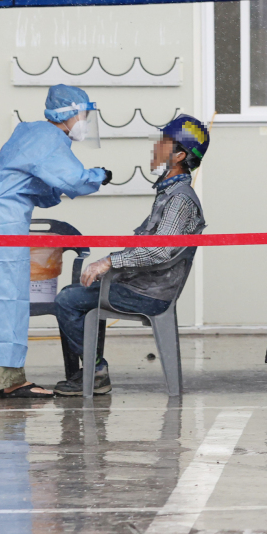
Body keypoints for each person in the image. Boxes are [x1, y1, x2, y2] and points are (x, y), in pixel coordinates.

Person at [0, 84, 109, 399]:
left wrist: (67, 186)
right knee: (6, 303)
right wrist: (98, 175)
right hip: (2, 232)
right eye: (83, 114)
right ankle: (10, 382)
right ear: (68, 113)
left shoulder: (30, 135)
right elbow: (73, 179)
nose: (84, 120)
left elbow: (40, 189)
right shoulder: (48, 139)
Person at [51, 115, 209, 396]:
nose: (156, 146)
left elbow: (160, 251)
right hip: (141, 285)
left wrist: (110, 262)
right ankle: (90, 372)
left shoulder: (180, 199)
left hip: (148, 293)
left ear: (179, 155)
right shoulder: (168, 193)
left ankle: (96, 371)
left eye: (164, 142)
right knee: (78, 294)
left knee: (67, 300)